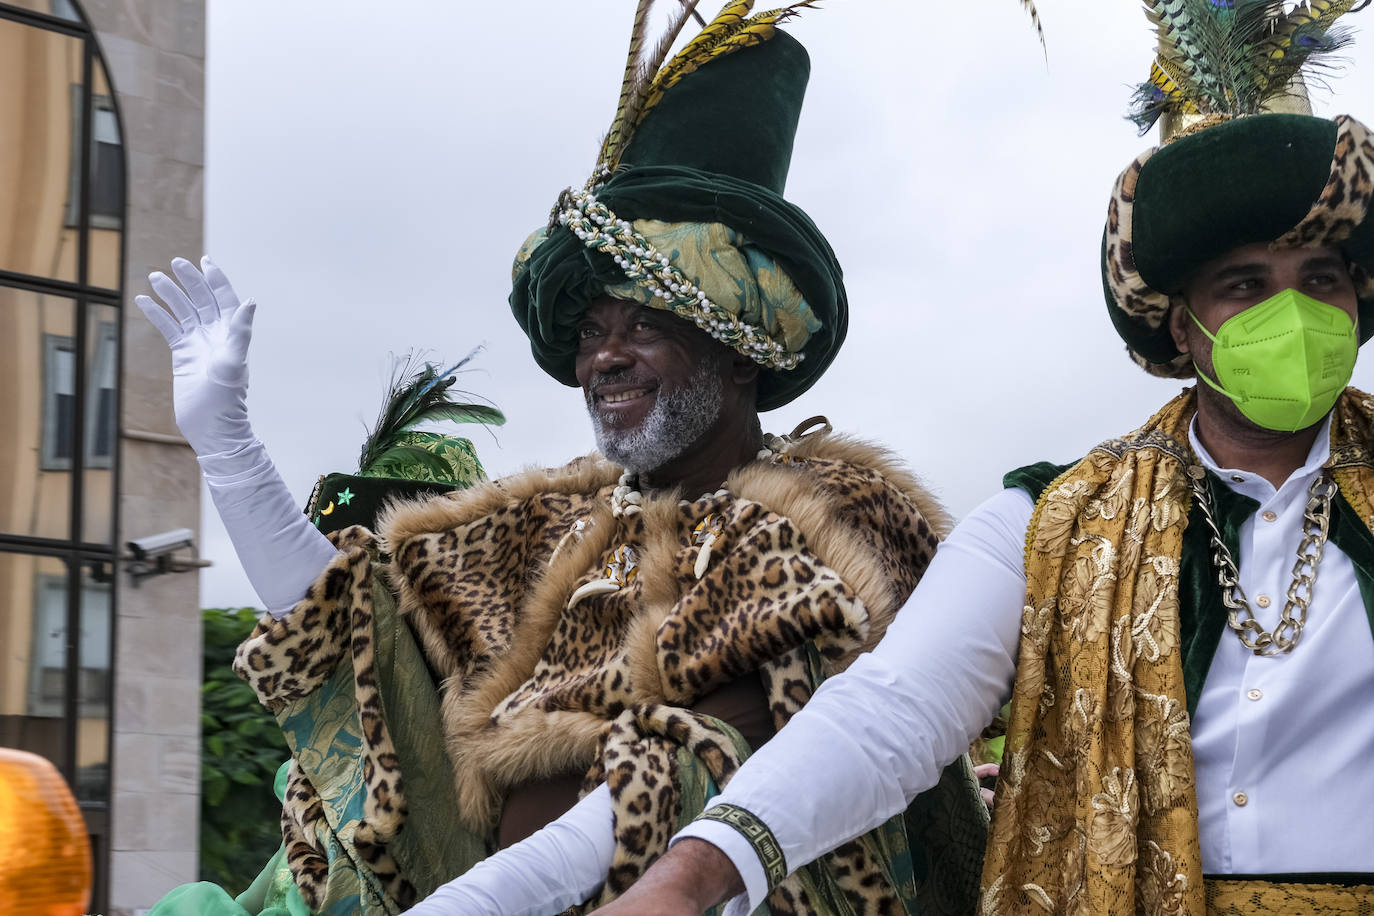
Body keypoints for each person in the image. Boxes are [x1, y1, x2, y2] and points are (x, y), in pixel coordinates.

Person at [136, 5, 990, 915]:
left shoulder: (834, 520)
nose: (603, 358)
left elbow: (722, 771)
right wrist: (228, 450)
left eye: (644, 326)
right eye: (592, 330)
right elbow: (360, 653)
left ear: (740, 347)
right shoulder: (538, 526)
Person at [589, 5, 1374, 915]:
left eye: (1322, 279)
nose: (1296, 313)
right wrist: (695, 874)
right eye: (1245, 285)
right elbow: (894, 709)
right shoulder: (1049, 522)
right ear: (1180, 326)